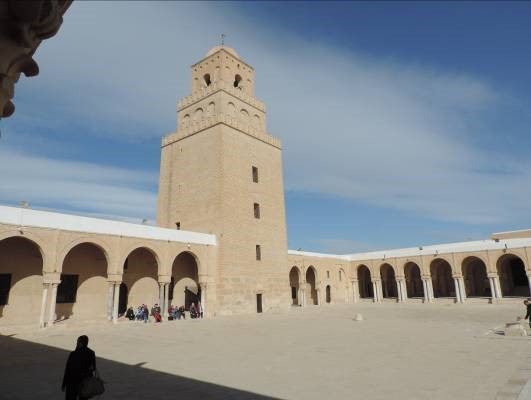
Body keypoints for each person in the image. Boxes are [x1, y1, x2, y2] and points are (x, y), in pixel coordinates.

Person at [62, 335, 96, 400]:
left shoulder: (73, 354)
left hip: (72, 382)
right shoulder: (91, 353)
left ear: (80, 343)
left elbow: (67, 370)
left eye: (77, 342)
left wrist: (64, 384)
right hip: (85, 383)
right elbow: (93, 368)